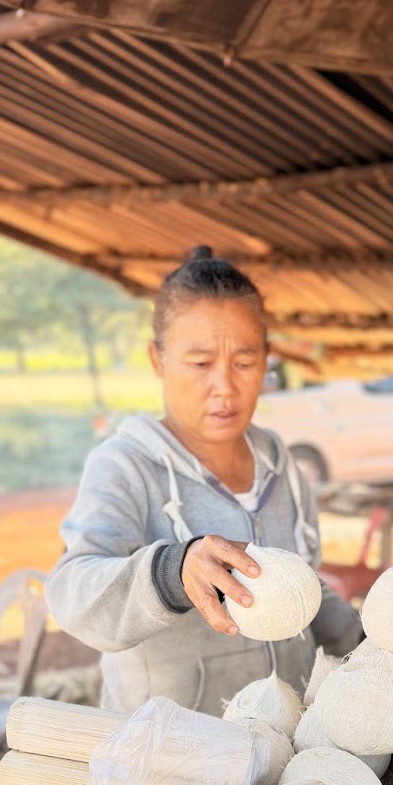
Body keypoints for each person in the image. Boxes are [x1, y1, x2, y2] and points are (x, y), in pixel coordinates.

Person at [46, 247, 363, 715]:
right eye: (199, 362)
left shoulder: (281, 466)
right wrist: (172, 572)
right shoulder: (125, 466)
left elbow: (301, 586)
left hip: (286, 745)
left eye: (245, 361)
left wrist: (367, 639)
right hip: (175, 757)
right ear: (158, 360)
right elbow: (72, 593)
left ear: (267, 359)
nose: (225, 386)